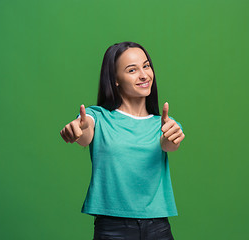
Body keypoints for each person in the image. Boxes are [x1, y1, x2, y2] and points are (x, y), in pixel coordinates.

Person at [60, 41, 185, 240]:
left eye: (146, 66)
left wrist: (173, 137)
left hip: (158, 228)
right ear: (115, 79)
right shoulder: (98, 117)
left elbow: (169, 144)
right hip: (112, 228)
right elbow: (85, 134)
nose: (144, 75)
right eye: (132, 70)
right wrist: (77, 129)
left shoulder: (164, 124)